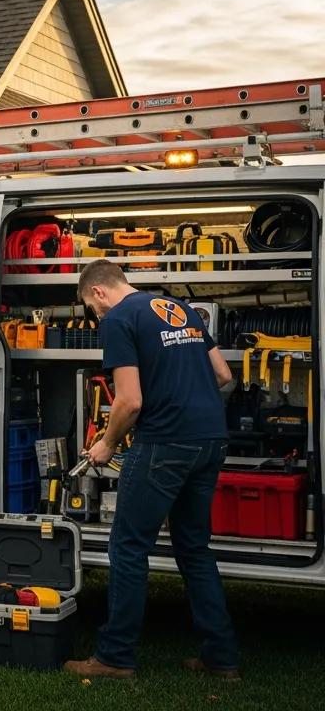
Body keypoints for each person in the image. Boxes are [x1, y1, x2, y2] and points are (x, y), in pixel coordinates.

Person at [64, 259, 239, 682]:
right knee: (195, 551)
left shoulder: (119, 318)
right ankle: (221, 658)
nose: (96, 314)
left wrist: (106, 443)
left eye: (92, 306)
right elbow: (222, 374)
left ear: (100, 292)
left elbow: (129, 402)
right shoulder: (177, 307)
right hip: (211, 440)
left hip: (164, 443)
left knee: (127, 547)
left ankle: (115, 657)